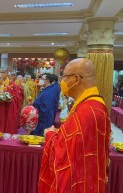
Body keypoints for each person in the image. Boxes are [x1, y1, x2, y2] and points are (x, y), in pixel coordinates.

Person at [39, 58, 110, 193]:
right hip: (87, 179)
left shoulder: (87, 111)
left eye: (64, 77)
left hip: (80, 184)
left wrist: (50, 134)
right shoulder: (92, 104)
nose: (62, 82)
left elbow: (65, 153)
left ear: (76, 79)